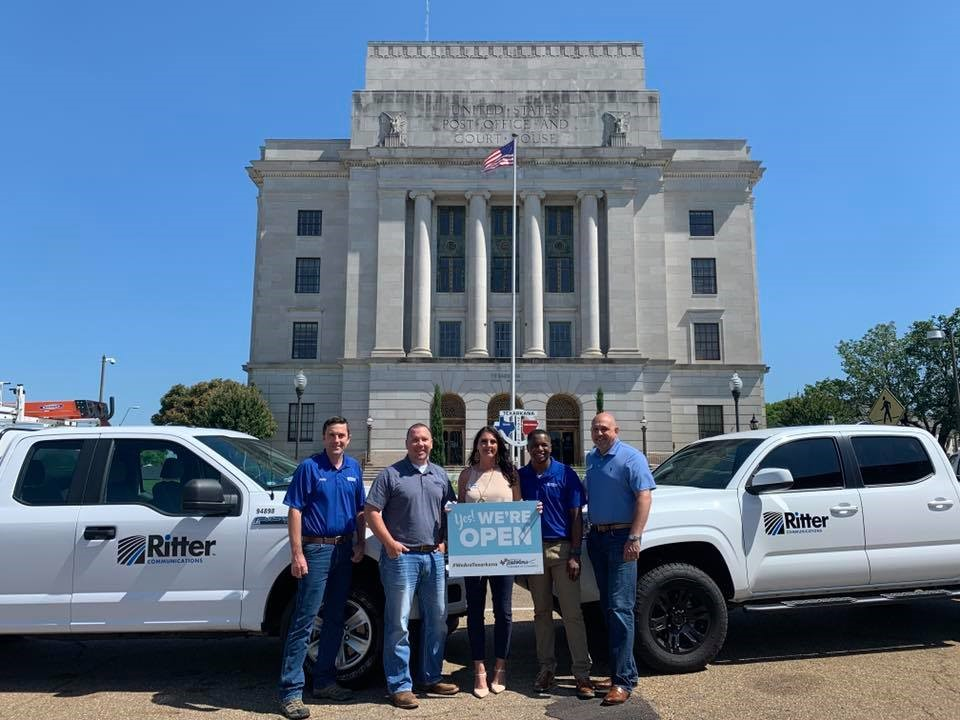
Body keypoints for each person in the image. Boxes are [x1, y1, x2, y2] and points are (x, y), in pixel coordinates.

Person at [364, 423, 459, 709]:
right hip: (401, 558)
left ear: (432, 443)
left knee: (438, 621)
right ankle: (399, 685)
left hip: (433, 557)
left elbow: (450, 510)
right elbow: (371, 511)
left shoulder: (440, 475)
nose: (420, 444)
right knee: (399, 623)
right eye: (415, 439)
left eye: (425, 439)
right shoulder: (390, 474)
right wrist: (389, 543)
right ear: (407, 443)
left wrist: (444, 541)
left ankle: (431, 676)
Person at [278, 417, 366, 720]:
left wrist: (360, 544)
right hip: (316, 549)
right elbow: (295, 509)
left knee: (334, 618)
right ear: (324, 437)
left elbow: (359, 510)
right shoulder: (309, 468)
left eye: (341, 435)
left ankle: (325, 681)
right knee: (304, 620)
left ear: (349, 438)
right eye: (331, 435)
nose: (337, 440)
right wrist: (297, 552)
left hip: (343, 549)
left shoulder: (353, 468)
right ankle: (290, 691)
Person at [584, 412, 655, 706]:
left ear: (616, 430)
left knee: (620, 609)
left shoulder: (631, 457)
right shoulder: (591, 459)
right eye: (595, 428)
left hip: (621, 539)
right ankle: (617, 673)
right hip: (598, 539)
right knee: (607, 607)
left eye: (605, 429)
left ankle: (624, 681)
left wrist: (635, 537)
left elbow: (644, 497)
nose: (599, 433)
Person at [518, 429, 594, 700]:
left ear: (552, 447)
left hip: (562, 549)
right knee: (541, 613)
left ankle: (582, 674)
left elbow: (575, 516)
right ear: (528, 449)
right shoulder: (521, 477)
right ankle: (546, 669)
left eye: (545, 445)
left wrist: (575, 553)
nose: (540, 449)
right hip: (533, 552)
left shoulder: (565, 474)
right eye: (536, 445)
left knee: (572, 614)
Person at [456, 426, 521, 698]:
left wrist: (533, 509)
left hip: (503, 554)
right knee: (474, 611)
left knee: (504, 612)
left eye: (493, 441)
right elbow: (459, 509)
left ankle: (500, 666)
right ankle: (479, 668)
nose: (488, 445)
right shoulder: (466, 475)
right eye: (483, 441)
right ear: (477, 445)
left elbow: (519, 508)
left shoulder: (510, 475)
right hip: (473, 554)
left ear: (499, 445)